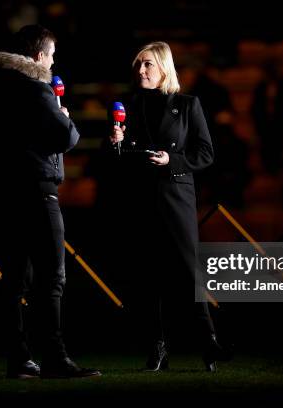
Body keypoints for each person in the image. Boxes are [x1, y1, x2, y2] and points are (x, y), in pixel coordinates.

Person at [0, 24, 100, 379]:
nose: (52, 62)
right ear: (38, 57)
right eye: (51, 56)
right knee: (52, 276)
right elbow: (67, 136)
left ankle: (18, 358)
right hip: (37, 191)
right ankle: (54, 357)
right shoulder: (35, 88)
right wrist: (63, 115)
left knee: (14, 277)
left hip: (4, 191)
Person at [108, 41, 232, 372]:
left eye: (147, 64)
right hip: (142, 198)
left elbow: (205, 153)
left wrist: (172, 159)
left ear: (164, 68)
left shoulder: (188, 105)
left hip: (176, 197)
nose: (141, 70)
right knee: (148, 276)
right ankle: (157, 346)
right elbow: (123, 163)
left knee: (188, 271)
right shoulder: (129, 106)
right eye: (138, 64)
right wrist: (117, 146)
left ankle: (208, 343)